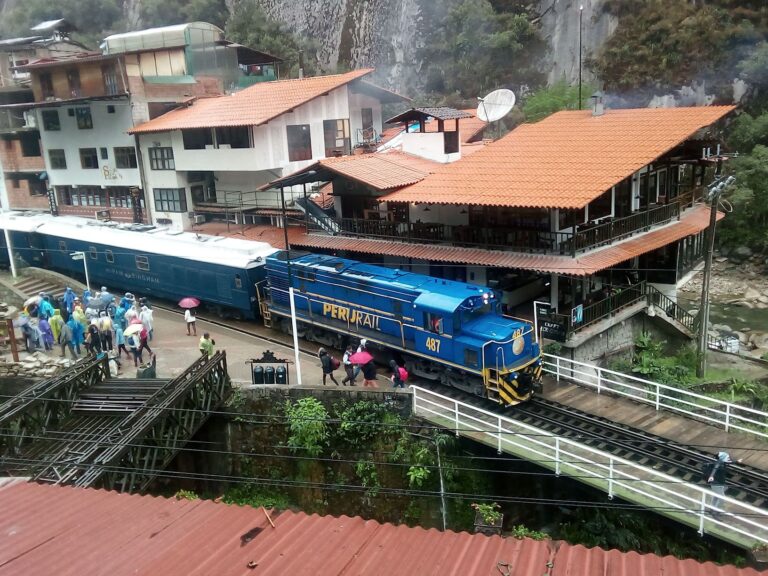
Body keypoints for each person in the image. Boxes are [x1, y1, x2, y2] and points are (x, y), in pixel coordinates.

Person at [707, 451, 738, 517]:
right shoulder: (719, 463)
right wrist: (711, 476)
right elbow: (714, 469)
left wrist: (737, 461)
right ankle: (715, 513)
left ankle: (712, 510)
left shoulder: (723, 462)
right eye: (727, 457)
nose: (729, 458)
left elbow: (730, 462)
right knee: (722, 499)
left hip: (720, 483)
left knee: (716, 497)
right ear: (723, 458)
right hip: (716, 483)